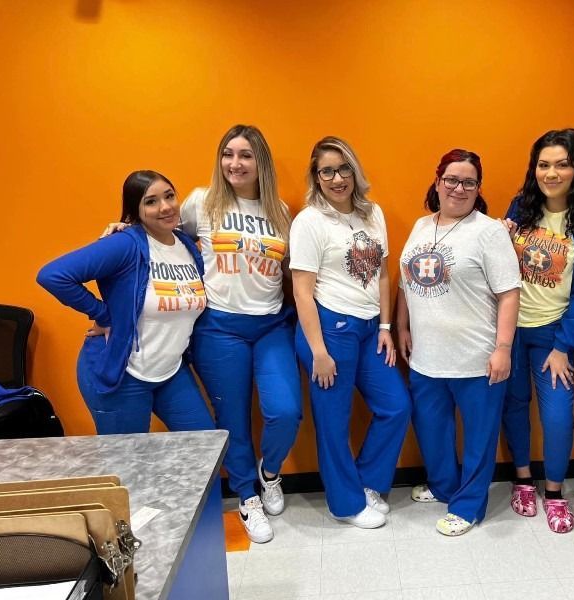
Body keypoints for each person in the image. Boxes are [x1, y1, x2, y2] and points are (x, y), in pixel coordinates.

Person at [182, 125, 302, 544]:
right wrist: (124, 226)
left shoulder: (282, 212)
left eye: (246, 155)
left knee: (285, 411)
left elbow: (294, 273)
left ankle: (270, 474)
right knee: (232, 421)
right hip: (219, 328)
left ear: (261, 162)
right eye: (228, 154)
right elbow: (159, 235)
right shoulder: (202, 201)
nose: (236, 163)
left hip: (271, 325)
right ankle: (247, 495)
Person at [396, 149, 520, 536]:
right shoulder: (420, 226)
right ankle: (445, 487)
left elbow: (509, 293)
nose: (459, 188)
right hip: (425, 357)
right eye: (451, 179)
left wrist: (503, 349)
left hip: (476, 358)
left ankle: (468, 507)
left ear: (478, 189)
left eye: (468, 182)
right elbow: (405, 282)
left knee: (479, 438)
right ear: (437, 182)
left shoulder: (489, 232)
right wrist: (402, 325)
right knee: (432, 432)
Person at [290, 136, 411, 529]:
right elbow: (302, 292)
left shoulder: (372, 213)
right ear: (316, 176)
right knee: (333, 422)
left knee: (396, 406)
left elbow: (383, 273)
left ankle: (367, 484)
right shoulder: (309, 221)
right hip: (329, 330)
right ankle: (345, 504)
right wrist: (318, 352)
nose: (337, 178)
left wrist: (386, 326)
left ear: (354, 171)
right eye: (327, 171)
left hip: (369, 328)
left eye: (343, 169)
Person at [37, 170, 214, 435]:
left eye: (169, 196)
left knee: (206, 445)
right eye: (151, 201)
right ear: (136, 210)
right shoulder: (125, 245)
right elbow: (53, 275)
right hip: (123, 373)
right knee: (129, 466)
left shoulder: (187, 245)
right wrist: (104, 316)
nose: (165, 207)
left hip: (170, 370)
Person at [500, 129, 574, 533]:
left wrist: (564, 344)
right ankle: (523, 480)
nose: (551, 173)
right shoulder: (520, 207)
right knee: (513, 406)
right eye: (544, 164)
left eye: (561, 164)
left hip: (553, 337)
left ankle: (553, 492)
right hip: (511, 332)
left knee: (558, 418)